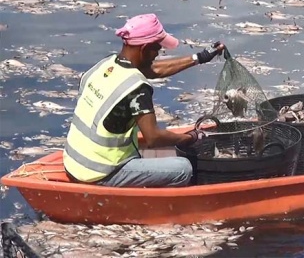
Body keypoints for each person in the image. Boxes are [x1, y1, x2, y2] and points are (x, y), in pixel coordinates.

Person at [63, 13, 224, 187]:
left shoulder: (106, 65)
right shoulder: (137, 88)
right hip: (102, 173)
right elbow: (153, 139)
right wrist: (190, 137)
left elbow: (155, 70)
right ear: (144, 47)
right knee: (183, 168)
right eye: (156, 48)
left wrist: (200, 57)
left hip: (73, 163)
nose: (157, 54)